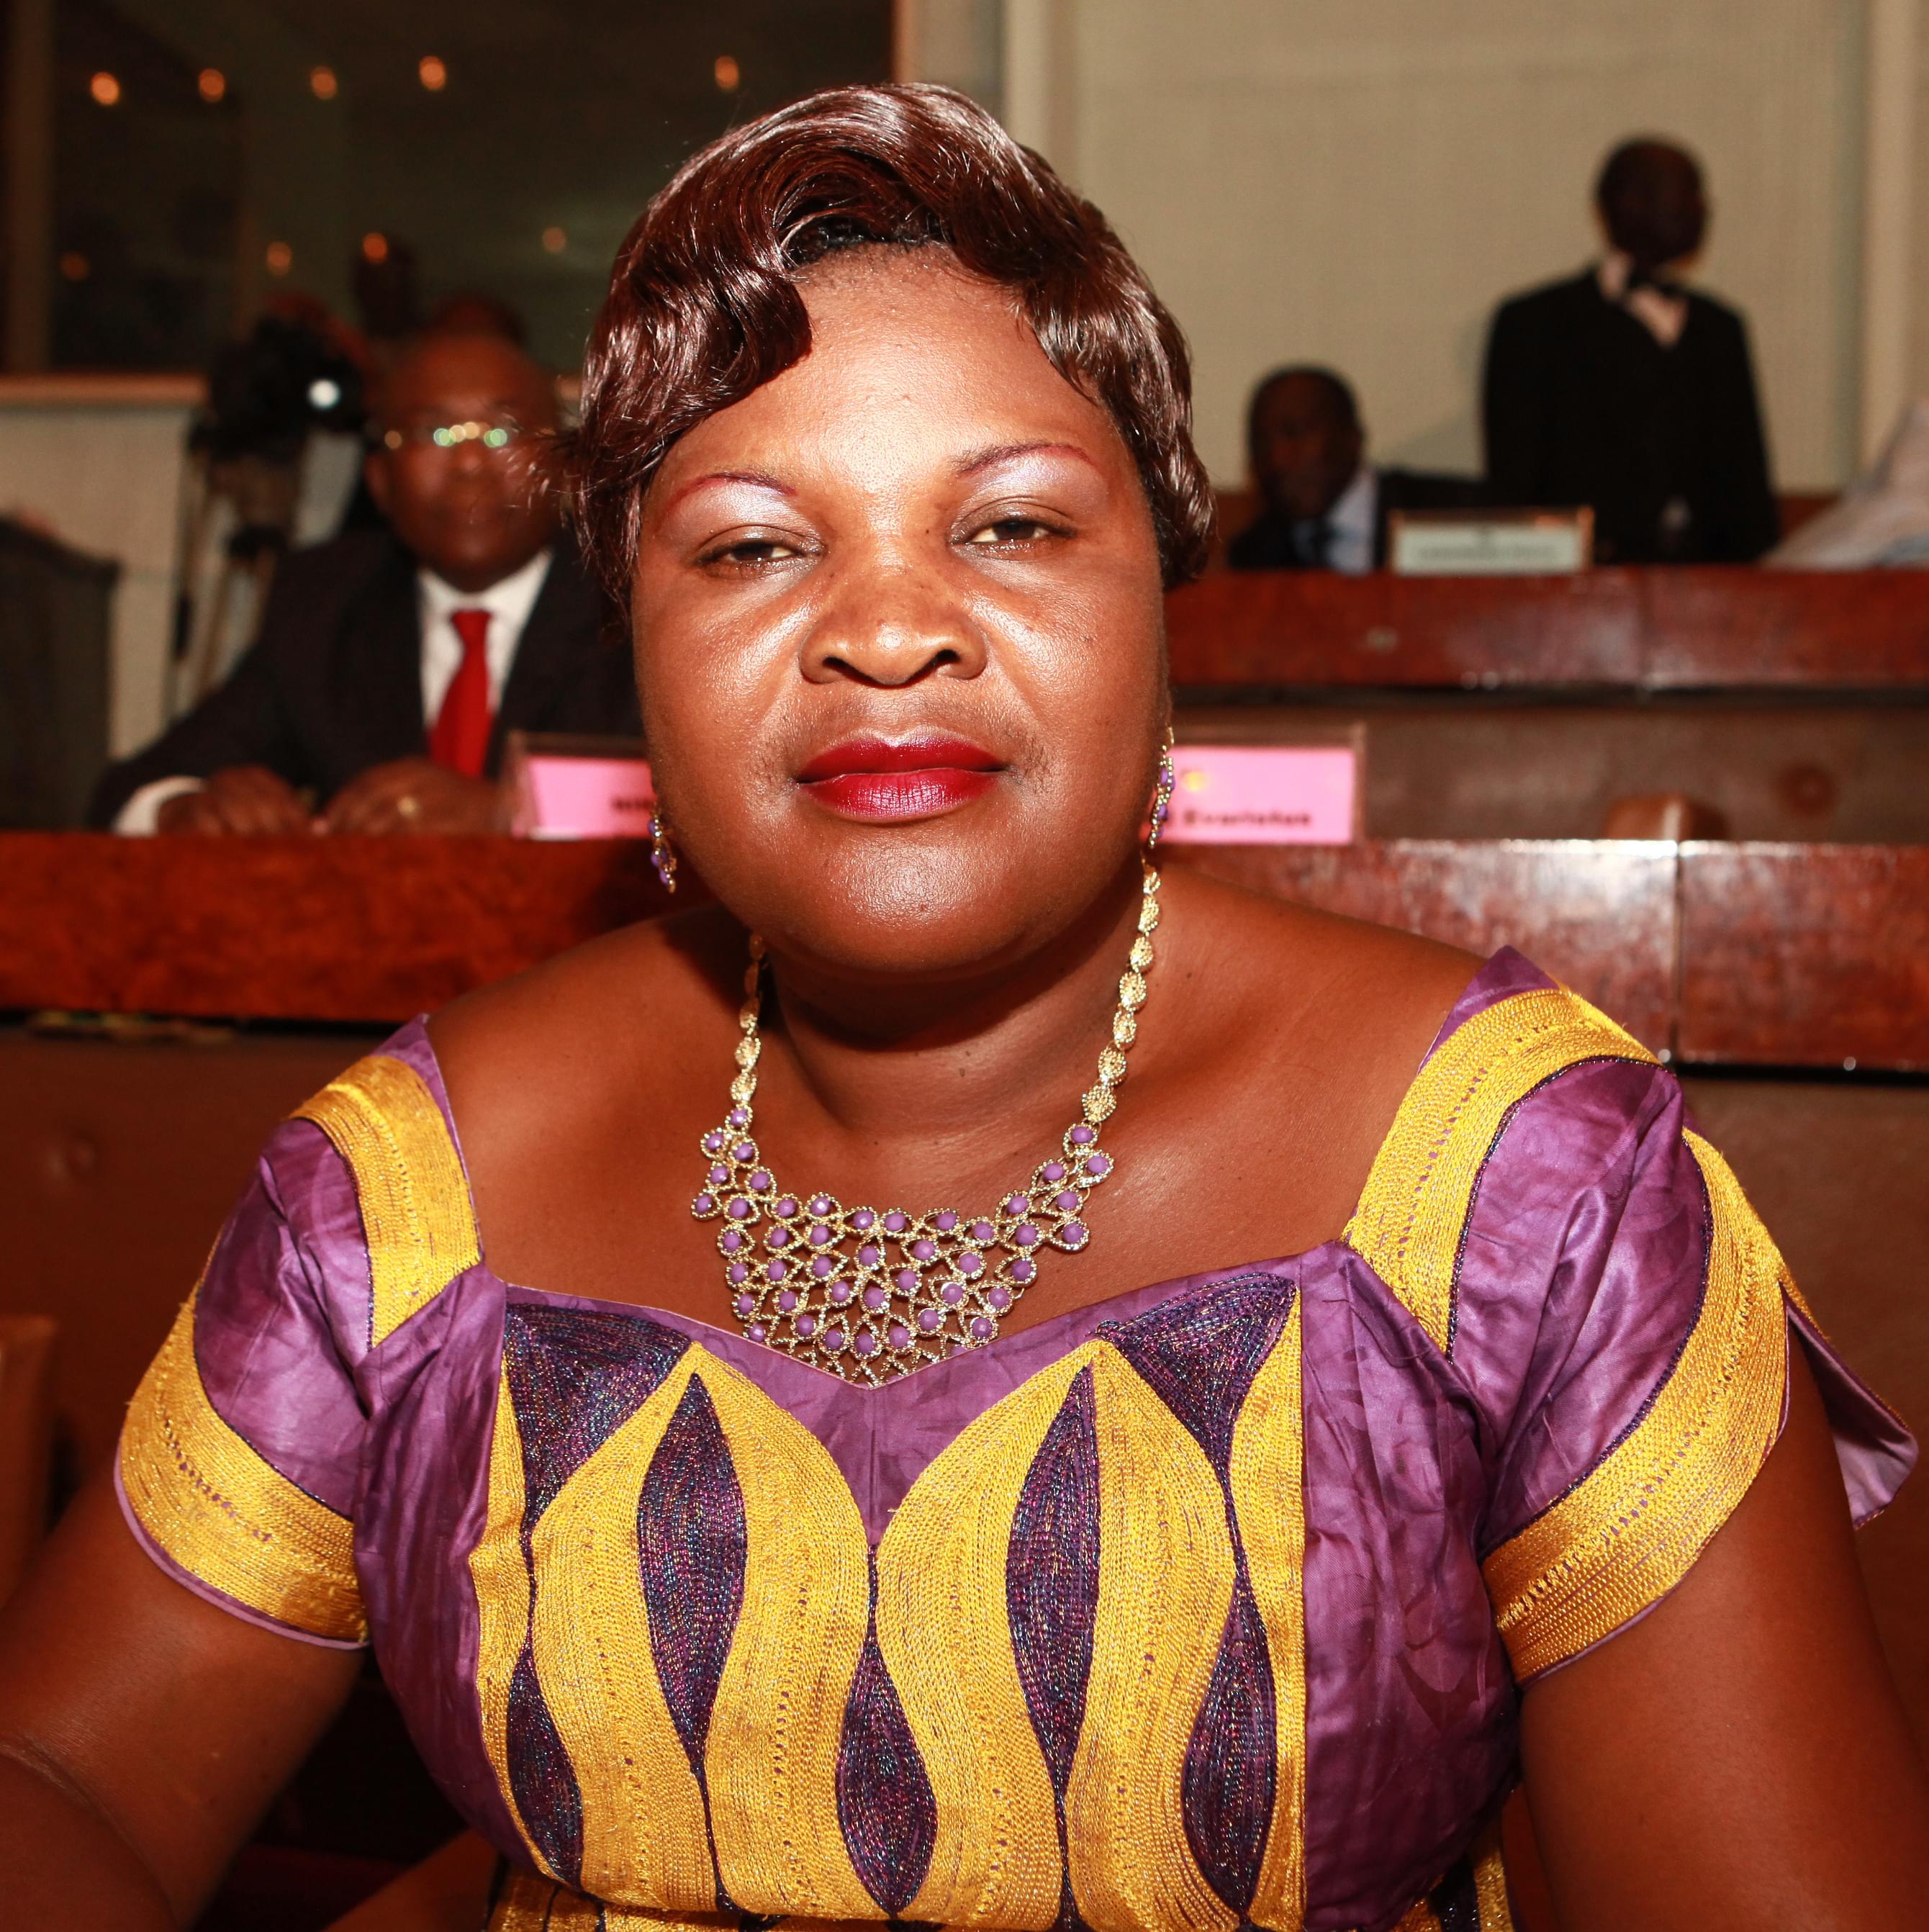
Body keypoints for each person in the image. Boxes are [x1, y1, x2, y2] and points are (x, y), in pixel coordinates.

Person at [6, 84, 1925, 1932]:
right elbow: (64, 1776)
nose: (885, 625)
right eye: (753, 544)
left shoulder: (1523, 1182)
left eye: (1008, 524)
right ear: (635, 648)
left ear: (1162, 607)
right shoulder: (405, 1183)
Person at [89, 330, 638, 836]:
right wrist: (187, 807)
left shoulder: (635, 601)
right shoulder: (325, 602)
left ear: (569, 468)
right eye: (432, 432)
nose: (469, 462)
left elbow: (673, 804)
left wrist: (513, 812)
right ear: (379, 482)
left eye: (505, 431)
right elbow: (126, 792)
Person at [1482, 137, 1779, 564]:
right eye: (1688, 192)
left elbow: (1748, 481)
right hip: (1583, 580)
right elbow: (1516, 481)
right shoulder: (1535, 325)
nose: (1703, 209)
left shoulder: (1721, 328)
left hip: (1709, 578)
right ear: (1629, 202)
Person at [1227, 365, 1485, 571]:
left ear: (1352, 437)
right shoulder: (1254, 554)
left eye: (1295, 434)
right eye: (1260, 443)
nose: (1277, 459)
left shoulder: (1456, 512)